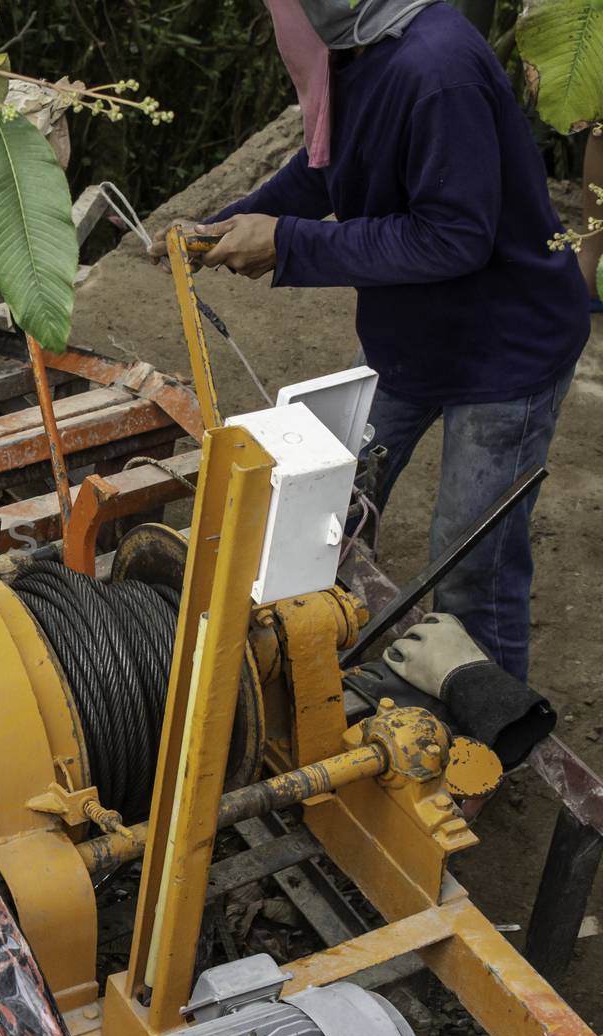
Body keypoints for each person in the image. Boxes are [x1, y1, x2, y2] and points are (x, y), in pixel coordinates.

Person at [153, 0, 588, 681]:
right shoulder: (358, 51)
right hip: (410, 341)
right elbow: (326, 166)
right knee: (324, 497)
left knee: (468, 560)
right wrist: (227, 223)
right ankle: (307, 664)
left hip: (505, 348)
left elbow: (454, 235)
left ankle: (488, 735)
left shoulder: (435, 69)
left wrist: (290, 243)